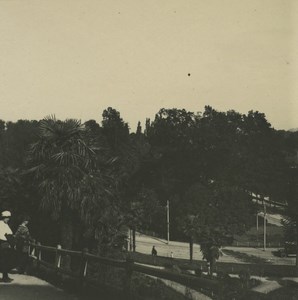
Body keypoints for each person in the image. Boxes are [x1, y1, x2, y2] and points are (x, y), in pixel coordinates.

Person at [0, 210, 18, 282]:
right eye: (7, 217)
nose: (8, 219)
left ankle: (5, 275)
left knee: (7, 260)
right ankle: (4, 277)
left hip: (6, 244)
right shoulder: (1, 224)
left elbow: (9, 233)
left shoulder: (5, 224)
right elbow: (2, 235)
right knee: (4, 260)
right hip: (3, 243)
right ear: (4, 217)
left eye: (8, 218)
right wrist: (8, 241)